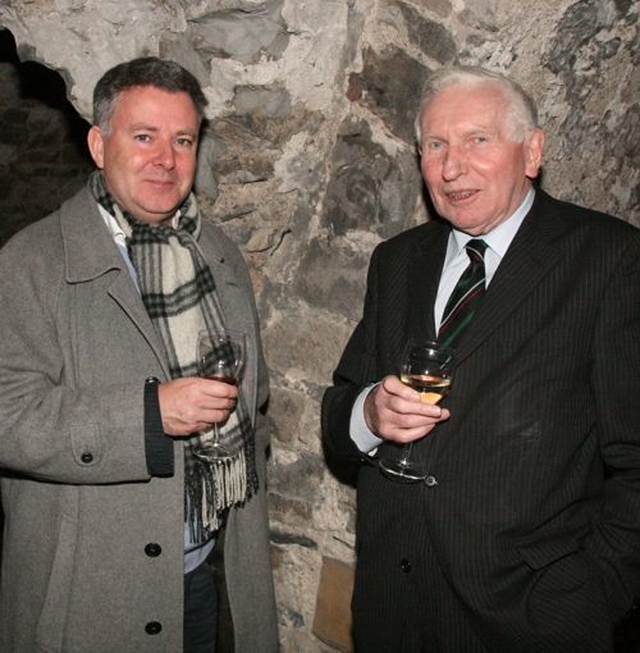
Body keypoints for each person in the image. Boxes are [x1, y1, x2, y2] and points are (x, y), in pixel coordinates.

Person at [322, 65, 640, 652]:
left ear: (532, 151)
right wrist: (367, 416)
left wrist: (591, 598)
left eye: (478, 140)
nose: (451, 167)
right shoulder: (396, 262)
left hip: (529, 625)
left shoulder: (609, 261)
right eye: (435, 145)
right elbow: (339, 414)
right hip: (392, 615)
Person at [0, 56, 278, 652]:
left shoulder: (219, 255)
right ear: (99, 145)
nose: (166, 159)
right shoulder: (31, 262)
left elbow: (255, 408)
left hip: (205, 576)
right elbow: (8, 417)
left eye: (182, 139)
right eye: (144, 136)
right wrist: (149, 417)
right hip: (87, 600)